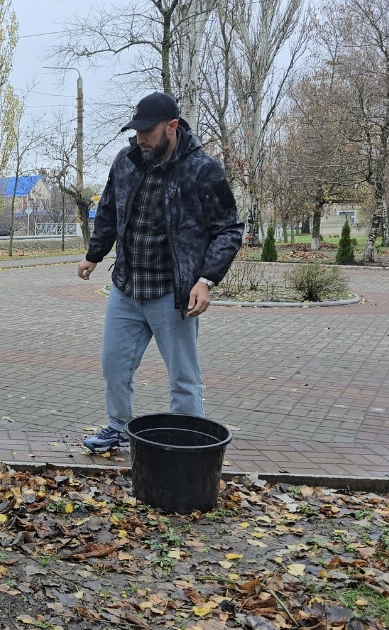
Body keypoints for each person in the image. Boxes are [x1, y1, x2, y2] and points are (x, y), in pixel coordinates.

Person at [77, 92, 243, 453]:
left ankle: (186, 445)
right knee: (114, 368)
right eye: (136, 131)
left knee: (184, 379)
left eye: (147, 131)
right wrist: (94, 254)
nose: (140, 138)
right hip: (127, 288)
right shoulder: (126, 161)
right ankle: (119, 428)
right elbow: (108, 210)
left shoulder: (203, 169)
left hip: (172, 293)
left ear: (172, 126)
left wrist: (206, 279)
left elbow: (229, 229)